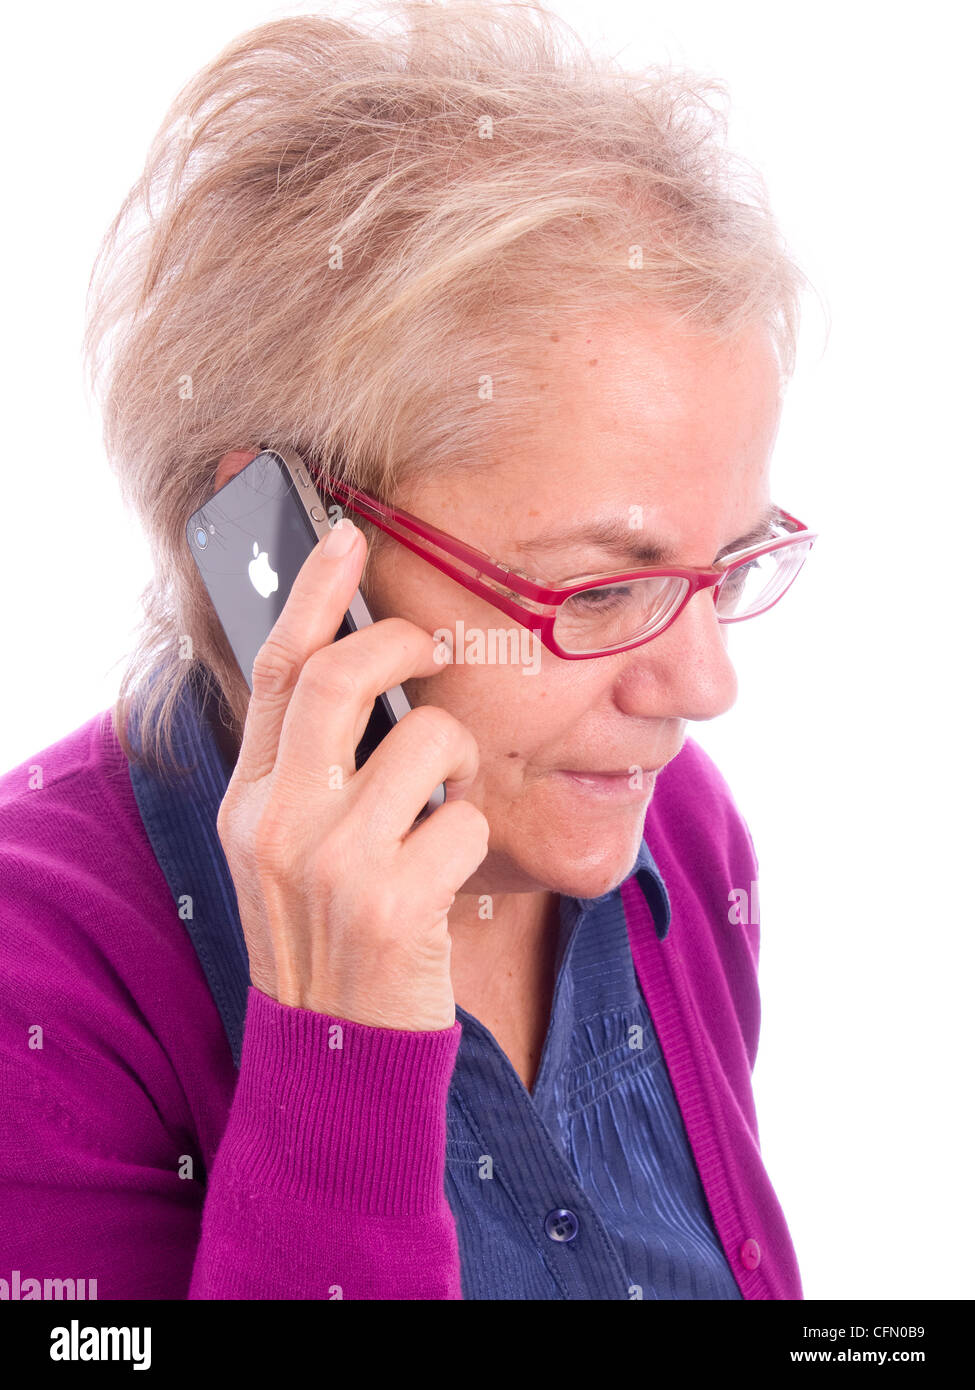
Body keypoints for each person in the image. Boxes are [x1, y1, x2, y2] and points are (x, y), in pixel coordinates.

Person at [0, 1, 815, 1300]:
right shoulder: (35, 972)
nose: (704, 685)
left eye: (724, 566)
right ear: (279, 539)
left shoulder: (673, 839)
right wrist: (340, 1052)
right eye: (602, 586)